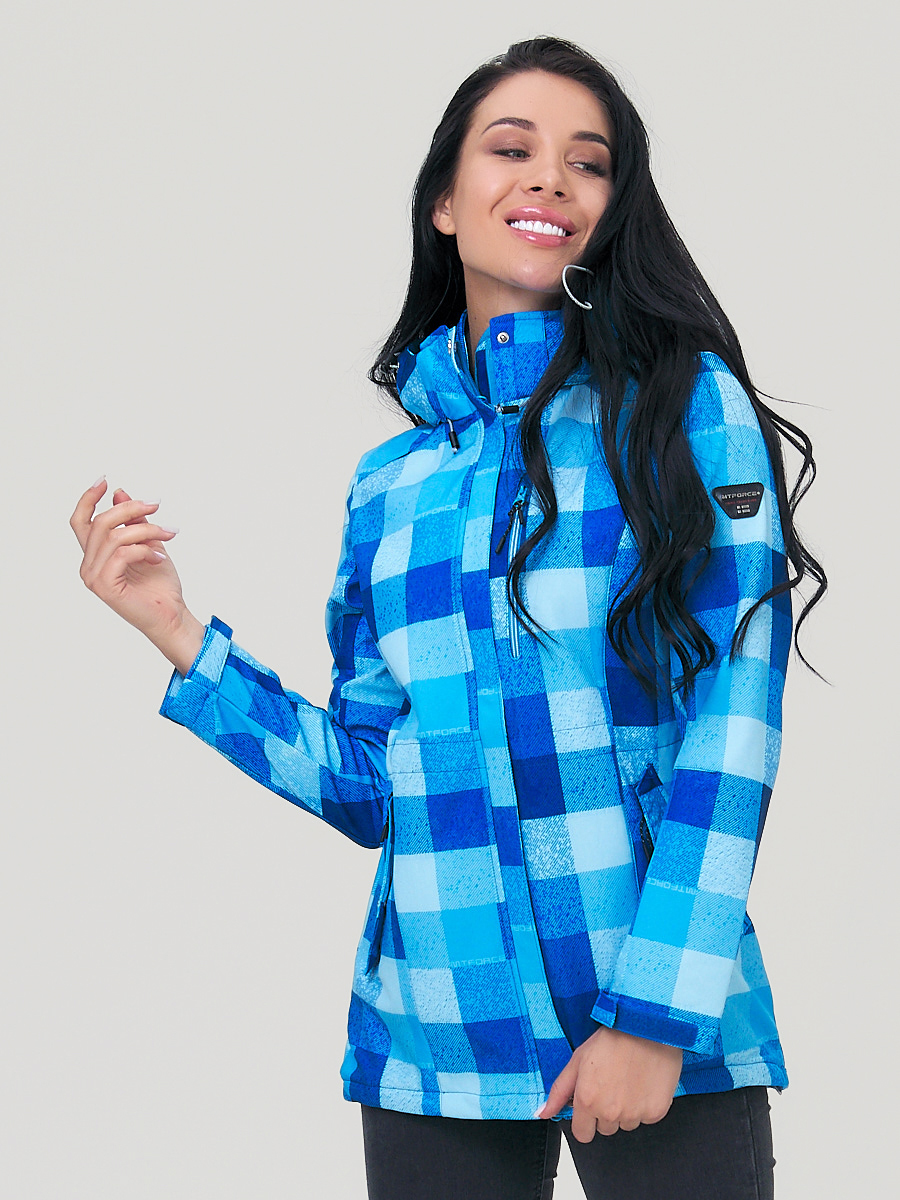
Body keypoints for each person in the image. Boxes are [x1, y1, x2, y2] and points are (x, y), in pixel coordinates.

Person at [70, 36, 825, 1200]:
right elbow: (372, 786)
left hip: (658, 1017)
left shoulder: (682, 411)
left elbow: (735, 723)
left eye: (589, 162)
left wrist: (655, 1013)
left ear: (611, 212)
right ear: (444, 201)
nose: (550, 177)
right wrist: (177, 632)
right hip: (432, 1033)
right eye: (511, 149)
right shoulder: (393, 486)